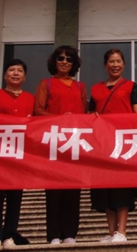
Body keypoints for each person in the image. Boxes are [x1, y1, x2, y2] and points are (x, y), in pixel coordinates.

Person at [89, 49, 137, 244]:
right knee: (105, 189)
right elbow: (90, 115)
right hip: (102, 145)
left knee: (122, 189)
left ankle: (122, 231)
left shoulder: (131, 86)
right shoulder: (95, 89)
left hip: (123, 145)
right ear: (105, 65)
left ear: (124, 64)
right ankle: (111, 231)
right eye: (111, 61)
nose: (115, 65)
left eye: (118, 61)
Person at [0, 58, 35, 248]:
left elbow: (38, 125)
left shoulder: (31, 99)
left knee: (15, 196)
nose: (15, 73)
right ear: (5, 75)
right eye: (12, 70)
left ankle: (9, 234)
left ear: (25, 77)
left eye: (20, 70)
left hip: (19, 154)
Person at [34, 45, 86, 245]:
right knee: (54, 191)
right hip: (54, 142)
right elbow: (38, 110)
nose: (65, 62)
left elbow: (84, 113)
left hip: (74, 143)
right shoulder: (46, 84)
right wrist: (60, 118)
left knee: (73, 190)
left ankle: (70, 233)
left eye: (69, 59)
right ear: (54, 61)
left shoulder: (80, 87)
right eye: (61, 58)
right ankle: (54, 234)